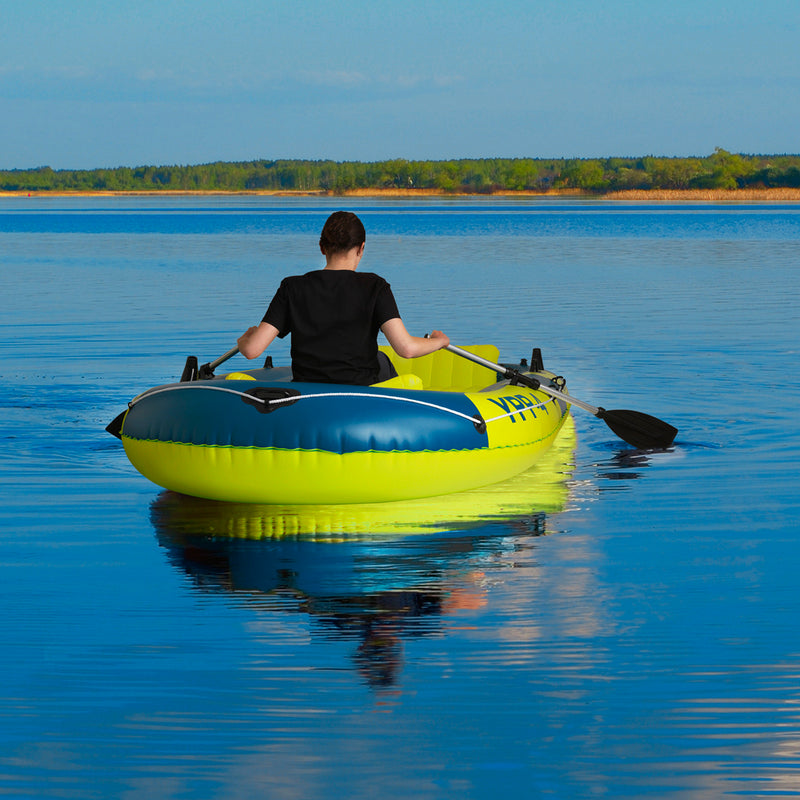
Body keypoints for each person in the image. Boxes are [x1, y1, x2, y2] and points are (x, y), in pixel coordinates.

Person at [237, 211, 450, 385]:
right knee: (382, 360)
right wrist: (438, 342)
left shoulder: (292, 287)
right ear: (361, 248)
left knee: (380, 358)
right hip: (358, 396)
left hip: (308, 393)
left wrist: (247, 336)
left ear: (322, 247)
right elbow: (406, 349)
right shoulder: (375, 286)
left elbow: (251, 350)